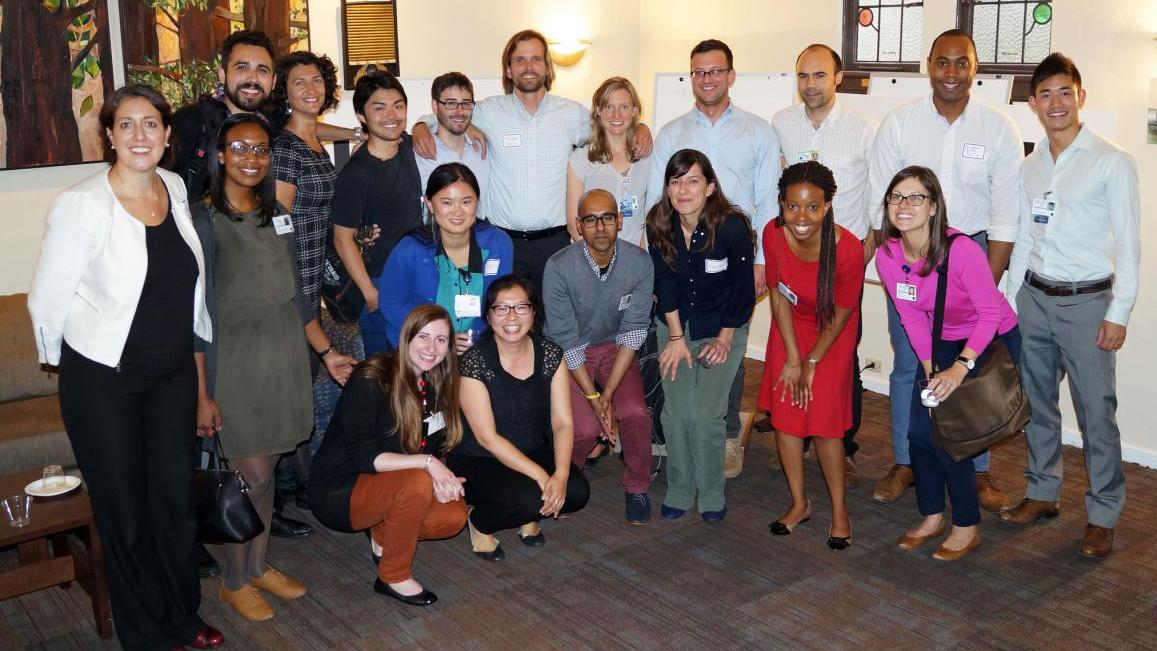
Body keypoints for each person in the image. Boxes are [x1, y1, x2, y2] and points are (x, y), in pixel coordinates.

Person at [27, 84, 223, 650]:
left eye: (152, 124)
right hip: (103, 381)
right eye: (127, 125)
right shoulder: (81, 203)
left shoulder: (177, 187)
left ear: (167, 135)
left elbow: (187, 289)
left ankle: (182, 615)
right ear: (109, 136)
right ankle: (147, 635)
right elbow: (47, 302)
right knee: (127, 515)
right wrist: (76, 366)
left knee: (175, 506)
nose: (141, 135)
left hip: (170, 376)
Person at [192, 113, 354, 621]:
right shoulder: (200, 220)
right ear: (220, 154)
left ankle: (258, 566)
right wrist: (201, 392)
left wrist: (327, 353)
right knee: (252, 476)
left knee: (267, 472)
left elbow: (299, 298)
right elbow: (192, 313)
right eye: (239, 148)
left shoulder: (278, 214)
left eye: (261, 150)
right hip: (235, 362)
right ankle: (234, 581)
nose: (251, 158)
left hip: (284, 355)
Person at [866, 29, 1023, 511]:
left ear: (975, 68)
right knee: (911, 364)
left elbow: (1004, 219)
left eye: (962, 63)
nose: (951, 72)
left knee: (971, 370)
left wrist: (980, 291)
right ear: (927, 65)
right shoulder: (899, 124)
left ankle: (975, 472)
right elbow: (882, 206)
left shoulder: (998, 129)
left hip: (972, 253)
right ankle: (906, 461)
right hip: (909, 257)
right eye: (942, 62)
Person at [1000, 54, 1140, 559]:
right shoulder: (1030, 163)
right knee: (1037, 405)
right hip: (1034, 297)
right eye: (1046, 95)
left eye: (1065, 92)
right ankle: (1042, 492)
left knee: (1096, 413)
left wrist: (1118, 313)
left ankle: (1103, 513)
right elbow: (1021, 237)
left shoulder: (1112, 161)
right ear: (1033, 103)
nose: (1056, 103)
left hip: (1088, 304)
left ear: (1080, 97)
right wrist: (1009, 301)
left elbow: (1129, 244)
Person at [412, 29, 651, 289]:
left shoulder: (571, 114)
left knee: (554, 321)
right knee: (505, 321)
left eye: (536, 59)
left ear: (547, 68)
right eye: (520, 60)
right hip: (503, 242)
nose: (529, 66)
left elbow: (611, 123)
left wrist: (641, 128)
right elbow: (451, 115)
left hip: (557, 243)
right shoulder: (489, 111)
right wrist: (421, 126)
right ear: (508, 70)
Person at [646, 39, 780, 479]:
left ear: (731, 75)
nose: (707, 79)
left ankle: (724, 438)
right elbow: (656, 200)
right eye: (699, 72)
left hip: (735, 258)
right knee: (679, 338)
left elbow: (766, 200)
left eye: (715, 71)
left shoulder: (758, 130)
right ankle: (683, 432)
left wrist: (761, 262)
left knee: (729, 347)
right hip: (682, 256)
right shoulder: (670, 133)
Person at [875, 166, 1020, 562]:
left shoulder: (962, 251)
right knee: (920, 433)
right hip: (938, 342)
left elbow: (989, 314)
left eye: (915, 197)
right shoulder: (887, 253)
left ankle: (966, 526)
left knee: (953, 437)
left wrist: (959, 368)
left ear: (934, 206)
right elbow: (911, 317)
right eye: (896, 197)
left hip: (986, 340)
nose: (904, 206)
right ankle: (932, 514)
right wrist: (928, 367)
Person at [310, 304, 469, 606]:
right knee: (418, 484)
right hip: (341, 488)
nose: (431, 347)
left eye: (441, 340)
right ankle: (392, 575)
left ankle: (382, 533)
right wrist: (428, 466)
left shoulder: (436, 382)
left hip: (392, 481)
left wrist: (441, 475)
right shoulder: (371, 378)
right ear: (406, 336)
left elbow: (432, 446)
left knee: (453, 515)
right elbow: (363, 458)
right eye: (423, 337)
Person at [772, 44, 876, 480]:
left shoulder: (863, 130)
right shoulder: (781, 124)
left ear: (838, 78)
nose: (810, 85)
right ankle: (799, 425)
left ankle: (841, 441)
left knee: (840, 356)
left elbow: (876, 196)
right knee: (793, 345)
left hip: (841, 262)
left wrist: (861, 257)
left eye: (819, 75)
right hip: (796, 258)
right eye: (803, 76)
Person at [646, 149, 755, 522]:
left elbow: (743, 291)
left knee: (706, 415)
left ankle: (710, 492)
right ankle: (680, 487)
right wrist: (676, 337)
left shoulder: (731, 227)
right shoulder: (659, 223)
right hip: (676, 323)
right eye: (675, 181)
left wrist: (725, 339)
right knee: (676, 414)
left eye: (692, 180)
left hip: (723, 325)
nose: (683, 190)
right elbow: (664, 283)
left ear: (709, 187)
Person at [758, 161, 862, 550]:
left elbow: (842, 312)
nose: (801, 217)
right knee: (785, 416)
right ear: (782, 205)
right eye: (792, 206)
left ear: (828, 205)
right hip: (791, 327)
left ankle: (839, 511)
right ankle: (799, 503)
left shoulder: (848, 250)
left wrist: (812, 362)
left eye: (812, 207)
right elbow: (778, 296)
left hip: (831, 333)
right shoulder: (772, 234)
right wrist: (791, 357)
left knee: (824, 424)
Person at [449, 275, 590, 560]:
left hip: (531, 448)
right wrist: (542, 476)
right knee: (530, 496)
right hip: (479, 459)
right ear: (488, 317)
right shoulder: (473, 361)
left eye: (521, 307)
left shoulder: (550, 353)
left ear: (534, 313)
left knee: (575, 492)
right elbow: (488, 438)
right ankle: (480, 522)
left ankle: (530, 512)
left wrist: (560, 475)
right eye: (501, 308)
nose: (511, 316)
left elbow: (562, 422)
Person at [270, 50, 350, 539]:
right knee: (286, 394)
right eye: (299, 81)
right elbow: (278, 227)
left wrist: (358, 134)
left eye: (317, 80)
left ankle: (293, 483)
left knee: (301, 389)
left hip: (311, 279)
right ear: (286, 89)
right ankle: (273, 495)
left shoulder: (314, 140)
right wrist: (295, 295)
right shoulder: (283, 148)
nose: (310, 88)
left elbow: (327, 132)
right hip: (288, 281)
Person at [543, 189, 655, 524]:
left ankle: (637, 486)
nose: (600, 227)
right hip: (569, 351)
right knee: (584, 429)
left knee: (635, 413)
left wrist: (606, 395)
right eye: (590, 220)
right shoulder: (559, 267)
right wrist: (594, 399)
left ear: (620, 221)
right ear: (578, 226)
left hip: (614, 347)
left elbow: (634, 331)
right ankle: (561, 481)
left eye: (607, 217)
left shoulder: (640, 263)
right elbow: (566, 340)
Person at [170, 29, 361, 203]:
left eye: (262, 70)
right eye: (242, 67)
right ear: (222, 74)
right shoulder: (192, 122)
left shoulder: (268, 121)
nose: (253, 79)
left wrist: (358, 134)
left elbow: (306, 128)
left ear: (273, 80)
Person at [331, 72, 424, 355]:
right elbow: (341, 239)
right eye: (379, 107)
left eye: (398, 105)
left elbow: (435, 124)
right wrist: (370, 292)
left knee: (421, 362)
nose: (391, 115)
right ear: (361, 115)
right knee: (386, 371)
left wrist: (422, 125)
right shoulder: (356, 173)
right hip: (381, 283)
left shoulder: (409, 146)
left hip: (418, 273)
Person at [378, 163, 513, 350]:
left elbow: (501, 301)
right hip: (421, 346)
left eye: (466, 202)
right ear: (430, 204)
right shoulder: (410, 249)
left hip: (477, 343)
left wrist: (476, 336)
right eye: (447, 202)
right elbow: (390, 304)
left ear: (477, 202)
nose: (457, 211)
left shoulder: (498, 243)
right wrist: (438, 335)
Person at [566, 77, 651, 247]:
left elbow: (651, 219)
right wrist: (601, 262)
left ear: (634, 110)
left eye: (624, 107)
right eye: (609, 107)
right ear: (598, 110)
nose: (616, 115)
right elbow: (574, 226)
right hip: (591, 261)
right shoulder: (581, 160)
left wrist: (639, 259)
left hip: (636, 261)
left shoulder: (648, 158)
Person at [414, 72, 489, 206]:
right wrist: (419, 125)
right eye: (451, 104)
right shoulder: (418, 153)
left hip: (480, 226)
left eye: (466, 103)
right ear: (435, 106)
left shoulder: (483, 149)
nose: (460, 111)